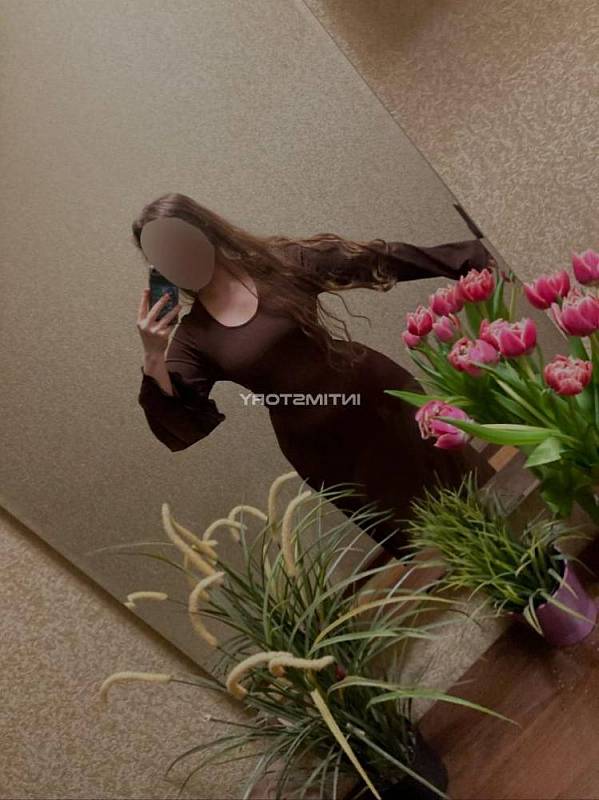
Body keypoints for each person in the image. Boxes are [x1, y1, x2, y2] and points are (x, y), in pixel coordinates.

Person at [133, 192, 495, 558]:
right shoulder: (194, 336)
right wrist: (153, 354)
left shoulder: (280, 262)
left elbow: (377, 260)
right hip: (328, 452)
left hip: (383, 401)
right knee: (420, 540)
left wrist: (473, 259)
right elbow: (181, 423)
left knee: (474, 488)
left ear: (203, 229)